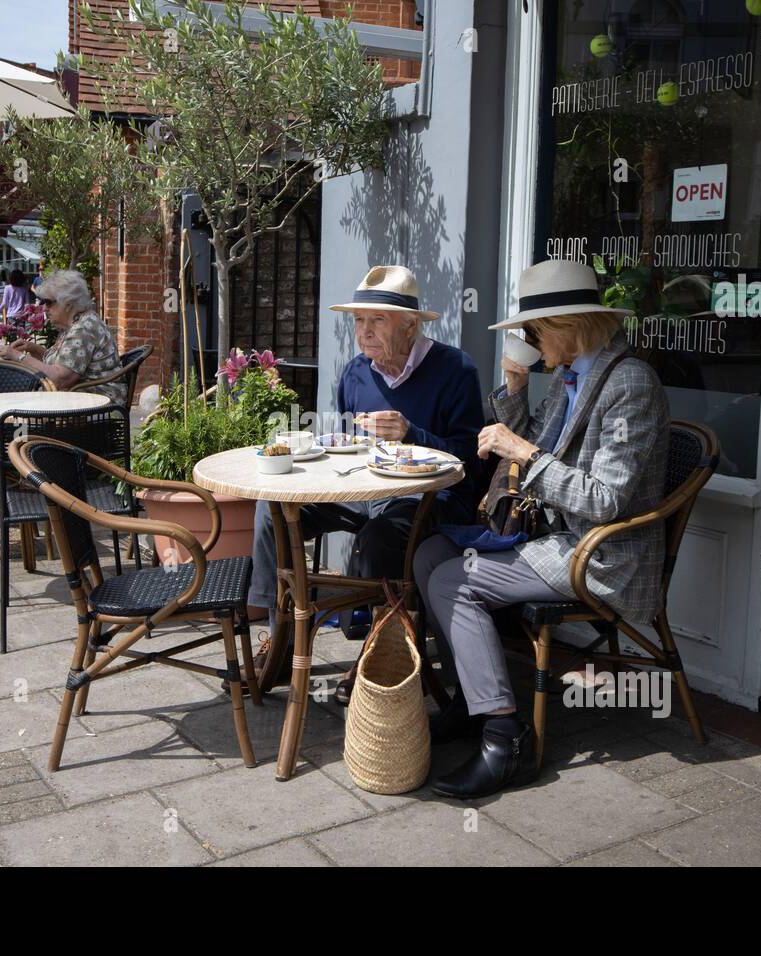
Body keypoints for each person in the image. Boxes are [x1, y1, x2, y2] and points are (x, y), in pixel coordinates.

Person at [412, 259, 670, 800]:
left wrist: (522, 454)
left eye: (532, 332)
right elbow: (544, 445)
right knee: (429, 553)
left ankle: (505, 739)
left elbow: (605, 500)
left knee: (452, 581)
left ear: (566, 327)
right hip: (555, 535)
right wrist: (514, 385)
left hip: (600, 553)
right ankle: (468, 698)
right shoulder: (577, 374)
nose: (529, 340)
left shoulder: (629, 384)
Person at [245, 265, 485, 677]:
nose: (364, 331)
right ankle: (280, 632)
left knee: (379, 538)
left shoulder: (455, 371)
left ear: (410, 325)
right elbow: (348, 446)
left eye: (377, 319)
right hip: (364, 492)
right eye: (359, 320)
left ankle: (378, 657)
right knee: (272, 510)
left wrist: (413, 434)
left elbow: (470, 461)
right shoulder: (356, 372)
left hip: (428, 500)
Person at [0, 268, 126, 404]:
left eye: (49, 302)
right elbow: (64, 363)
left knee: (16, 405)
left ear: (68, 303)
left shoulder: (82, 330)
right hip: (86, 400)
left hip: (98, 405)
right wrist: (32, 348)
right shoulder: (77, 324)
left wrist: (18, 357)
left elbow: (60, 379)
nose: (45, 308)